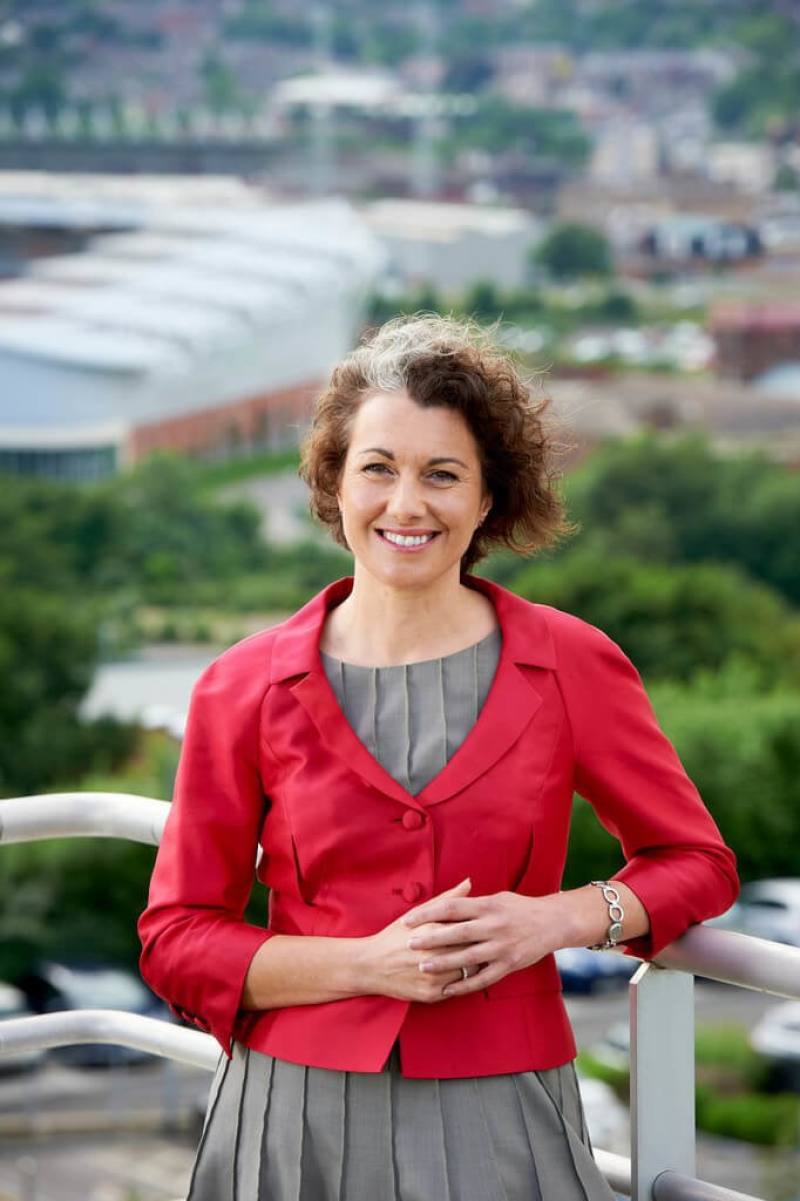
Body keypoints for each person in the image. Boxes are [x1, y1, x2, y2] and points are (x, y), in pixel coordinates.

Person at [138, 313, 739, 1201]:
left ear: (489, 498)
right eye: (377, 468)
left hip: (503, 1115)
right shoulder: (241, 685)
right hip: (287, 1121)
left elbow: (699, 863)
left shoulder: (574, 662)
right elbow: (177, 937)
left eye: (442, 474)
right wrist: (363, 965)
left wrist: (563, 918)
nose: (406, 504)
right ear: (334, 485)